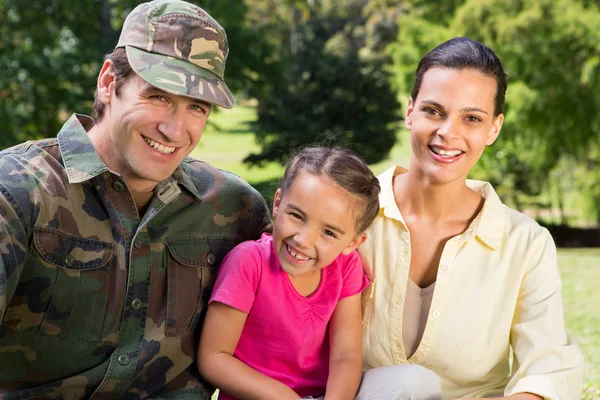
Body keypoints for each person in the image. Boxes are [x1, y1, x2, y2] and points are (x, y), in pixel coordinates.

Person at [0, 1, 269, 398]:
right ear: (108, 82)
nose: (175, 129)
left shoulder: (235, 208)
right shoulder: (18, 192)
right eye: (159, 96)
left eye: (197, 107)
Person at [360, 37, 585, 400]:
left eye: (472, 118)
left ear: (494, 128)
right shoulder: (352, 215)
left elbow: (549, 372)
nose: (448, 132)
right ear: (409, 111)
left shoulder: (525, 244)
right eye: (433, 111)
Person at [197, 146, 443, 400]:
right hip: (263, 397)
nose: (303, 240)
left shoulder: (346, 267)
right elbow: (214, 358)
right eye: (296, 216)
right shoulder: (249, 261)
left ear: (352, 243)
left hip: (326, 396)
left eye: (329, 232)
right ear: (278, 203)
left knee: (417, 383)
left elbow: (345, 355)